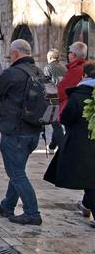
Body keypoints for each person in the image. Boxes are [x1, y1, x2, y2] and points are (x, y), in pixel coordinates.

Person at [0, 39, 44, 225]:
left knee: (16, 173)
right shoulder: (39, 72)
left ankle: (32, 213)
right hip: (33, 131)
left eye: (10, 55)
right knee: (18, 171)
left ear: (16, 54)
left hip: (15, 131)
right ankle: (8, 205)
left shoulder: (12, 73)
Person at [44, 60, 95, 229]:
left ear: (84, 75)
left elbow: (66, 117)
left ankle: (89, 207)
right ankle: (86, 206)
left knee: (88, 179)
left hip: (83, 143)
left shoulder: (79, 94)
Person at [44, 48, 67, 151]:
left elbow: (46, 84)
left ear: (50, 57)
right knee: (57, 123)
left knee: (56, 125)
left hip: (53, 98)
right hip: (64, 98)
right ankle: (52, 145)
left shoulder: (48, 68)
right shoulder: (64, 68)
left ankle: (63, 148)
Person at [58, 42, 87, 115]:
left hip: (72, 110)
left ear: (73, 54)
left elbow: (61, 91)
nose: (68, 54)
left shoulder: (75, 70)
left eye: (69, 52)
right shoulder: (84, 68)